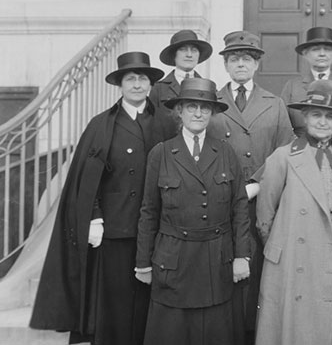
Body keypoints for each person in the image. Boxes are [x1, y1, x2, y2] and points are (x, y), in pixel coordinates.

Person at [30, 51, 176, 344]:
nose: (137, 84)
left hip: (159, 229)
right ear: (120, 84)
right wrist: (94, 216)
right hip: (115, 230)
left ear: (151, 84)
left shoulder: (167, 123)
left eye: (143, 79)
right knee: (115, 304)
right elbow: (86, 179)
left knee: (152, 304)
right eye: (130, 79)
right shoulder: (101, 125)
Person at [255, 80, 332, 345]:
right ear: (305, 117)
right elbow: (265, 215)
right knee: (298, 324)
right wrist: (284, 246)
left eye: (330, 117)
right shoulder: (282, 157)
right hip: (295, 251)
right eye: (317, 115)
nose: (323, 122)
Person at [135, 77, 251, 345]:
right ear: (180, 111)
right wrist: (142, 262)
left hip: (215, 261)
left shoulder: (225, 153)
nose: (198, 114)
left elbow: (239, 208)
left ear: (211, 114)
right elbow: (149, 212)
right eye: (191, 107)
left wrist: (242, 256)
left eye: (205, 108)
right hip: (173, 262)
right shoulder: (161, 154)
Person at [206, 30, 294, 344]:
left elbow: (285, 150)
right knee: (223, 264)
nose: (241, 64)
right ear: (226, 65)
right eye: (234, 59)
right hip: (219, 198)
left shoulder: (275, 103)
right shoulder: (209, 101)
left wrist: (257, 183)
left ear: (256, 65)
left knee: (257, 267)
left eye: (247, 58)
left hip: (262, 199)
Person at [281, 26, 332, 136]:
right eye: (315, 49)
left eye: (327, 50)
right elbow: (283, 124)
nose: (322, 54)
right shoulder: (292, 86)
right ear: (305, 54)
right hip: (301, 146)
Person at [149, 29, 213, 136]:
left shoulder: (208, 88)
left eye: (194, 50)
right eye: (183, 50)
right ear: (174, 55)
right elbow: (151, 126)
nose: (189, 55)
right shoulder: (159, 89)